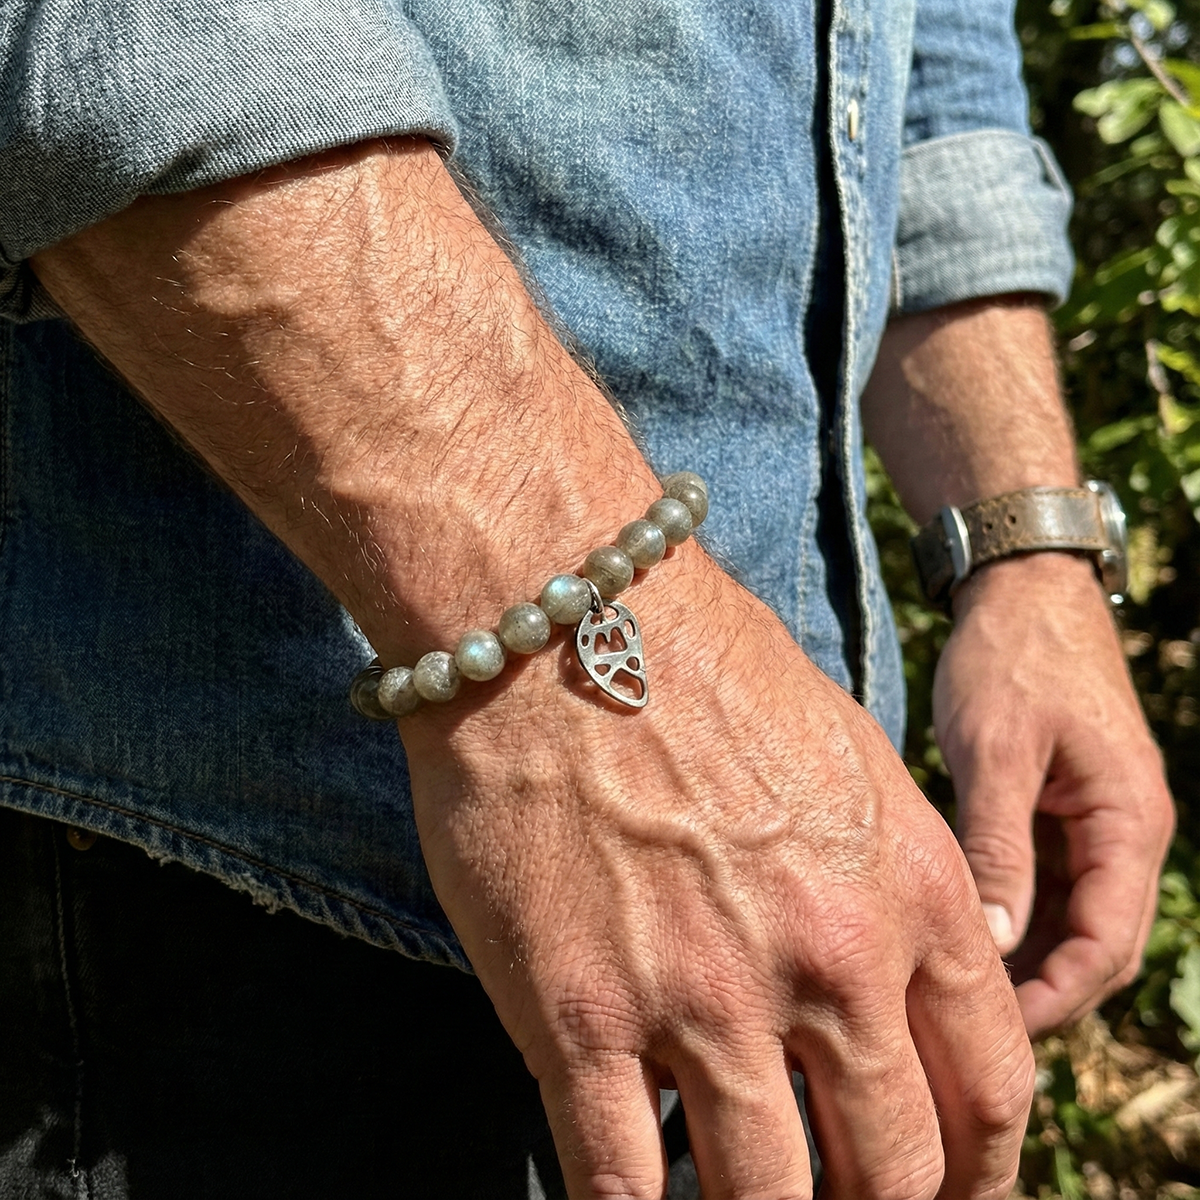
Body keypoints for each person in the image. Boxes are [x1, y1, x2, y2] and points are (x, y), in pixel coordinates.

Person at [0, 0, 1174, 1196]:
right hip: (223, 895)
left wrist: (1025, 548)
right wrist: (580, 650)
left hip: (781, 860)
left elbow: (926, 46)